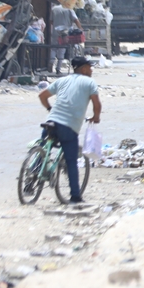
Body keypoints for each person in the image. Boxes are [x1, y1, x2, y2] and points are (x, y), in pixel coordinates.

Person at [38, 56, 102, 204]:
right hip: (68, 126)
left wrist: (49, 109)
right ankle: (75, 196)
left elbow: (42, 96)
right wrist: (96, 117)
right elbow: (96, 104)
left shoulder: (62, 80)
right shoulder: (89, 82)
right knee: (71, 160)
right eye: (90, 67)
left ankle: (31, 179)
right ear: (84, 68)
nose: (91, 70)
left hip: (51, 121)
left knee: (42, 148)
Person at [50, 2, 82, 75]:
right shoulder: (69, 9)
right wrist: (80, 29)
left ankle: (51, 62)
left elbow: (51, 21)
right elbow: (76, 20)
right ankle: (58, 69)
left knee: (53, 48)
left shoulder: (54, 9)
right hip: (65, 33)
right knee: (61, 50)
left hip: (55, 32)